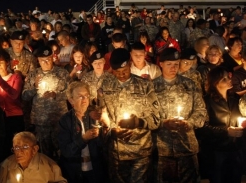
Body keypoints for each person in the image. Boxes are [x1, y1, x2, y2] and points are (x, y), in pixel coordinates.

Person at [100, 48, 161, 183]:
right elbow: (102, 115)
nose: (121, 75)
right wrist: (111, 130)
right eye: (117, 72)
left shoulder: (145, 85)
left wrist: (138, 122)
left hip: (140, 151)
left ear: (129, 64)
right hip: (116, 152)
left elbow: (156, 119)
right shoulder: (105, 85)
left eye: (125, 71)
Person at [152, 48, 207, 182]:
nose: (173, 68)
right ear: (161, 64)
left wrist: (190, 123)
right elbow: (147, 116)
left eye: (176, 64)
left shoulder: (189, 84)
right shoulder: (151, 87)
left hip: (186, 146)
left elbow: (201, 111)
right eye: (169, 64)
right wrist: (163, 123)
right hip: (163, 148)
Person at [197, 66, 245, 183]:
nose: (229, 80)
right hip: (217, 152)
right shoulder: (207, 101)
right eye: (224, 79)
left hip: (236, 150)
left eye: (228, 77)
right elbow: (202, 127)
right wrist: (226, 131)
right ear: (215, 83)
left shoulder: (235, 99)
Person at [22, 46, 69, 159]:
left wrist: (56, 95)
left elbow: (71, 93)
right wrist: (34, 87)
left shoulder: (62, 73)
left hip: (59, 119)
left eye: (48, 58)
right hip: (41, 121)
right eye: (42, 60)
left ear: (52, 57)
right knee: (44, 153)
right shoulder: (33, 75)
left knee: (62, 150)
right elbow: (24, 96)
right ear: (38, 60)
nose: (46, 62)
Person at [58, 81, 107, 183]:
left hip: (95, 169)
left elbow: (104, 145)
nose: (84, 99)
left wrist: (104, 129)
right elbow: (66, 151)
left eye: (86, 96)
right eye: (80, 96)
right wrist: (84, 139)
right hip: (75, 171)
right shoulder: (65, 121)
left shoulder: (96, 116)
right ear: (71, 100)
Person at [0, 131, 67, 183]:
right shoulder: (7, 163)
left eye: (25, 147)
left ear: (35, 149)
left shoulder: (50, 166)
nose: (19, 151)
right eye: (16, 147)